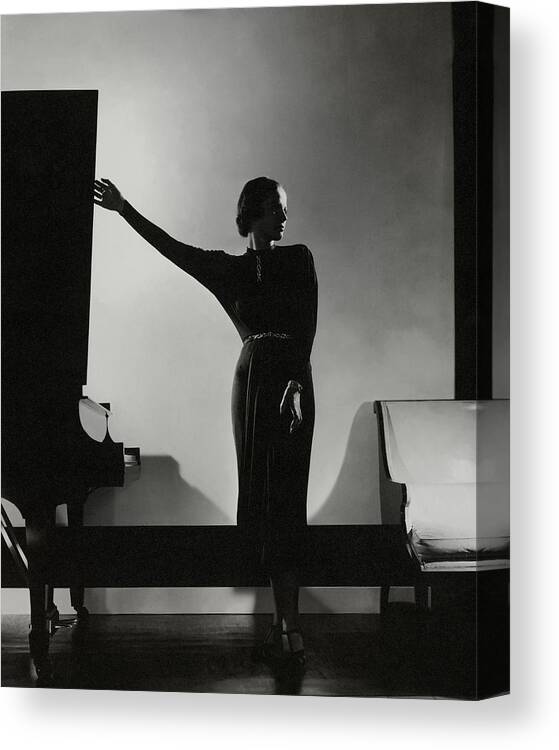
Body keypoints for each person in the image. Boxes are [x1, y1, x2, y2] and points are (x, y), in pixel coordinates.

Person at [94, 176, 317, 667]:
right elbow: (171, 248)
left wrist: (296, 386)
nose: (285, 217)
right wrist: (125, 209)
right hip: (252, 383)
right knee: (260, 502)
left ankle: (292, 629)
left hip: (290, 382)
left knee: (286, 501)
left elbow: (306, 326)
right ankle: (281, 629)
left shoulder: (299, 258)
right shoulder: (225, 269)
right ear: (256, 210)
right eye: (279, 207)